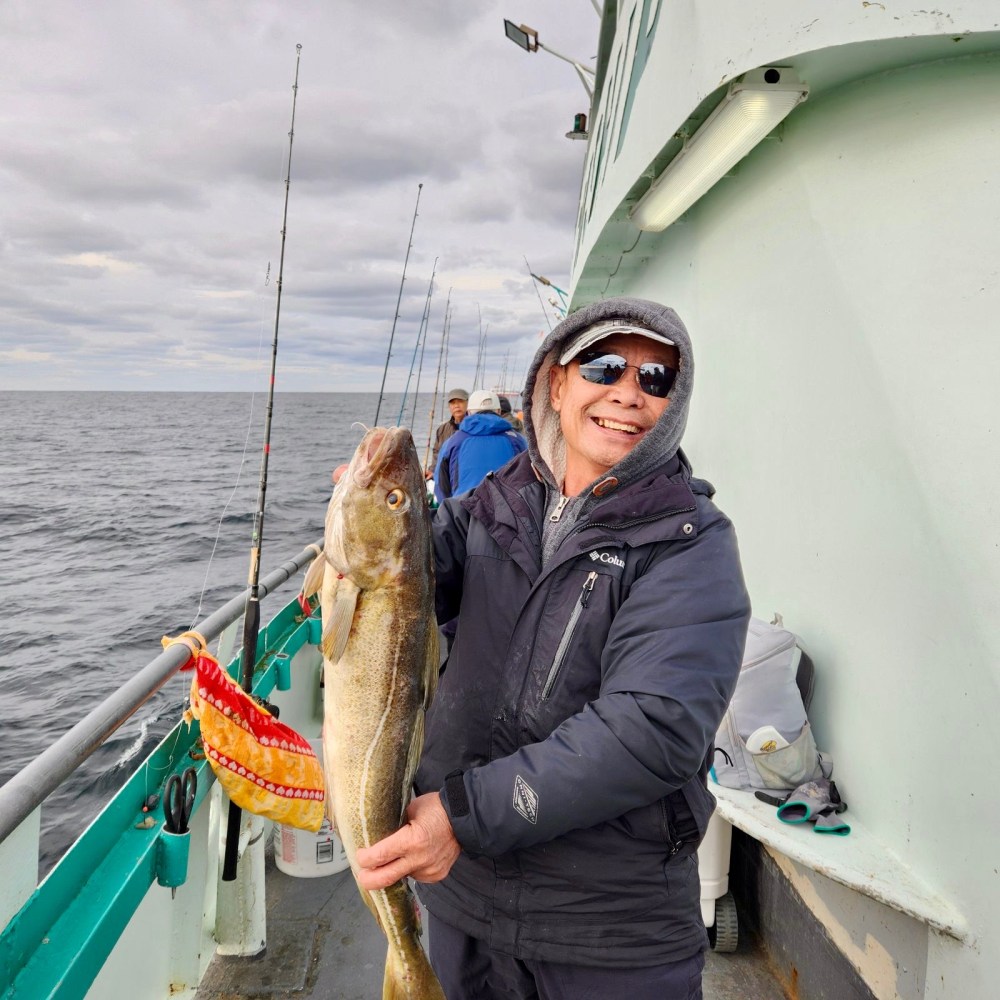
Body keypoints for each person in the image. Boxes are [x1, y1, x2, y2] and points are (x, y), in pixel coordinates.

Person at [356, 297, 751, 1000]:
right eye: (605, 366)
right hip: (462, 905)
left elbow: (651, 731)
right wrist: (362, 533)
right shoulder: (491, 503)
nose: (629, 393)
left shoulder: (693, 543)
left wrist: (464, 817)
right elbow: (406, 583)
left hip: (607, 934)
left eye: (656, 381)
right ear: (557, 384)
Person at [433, 389, 526, 504]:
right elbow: (529, 481)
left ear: (469, 412)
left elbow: (441, 486)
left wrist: (451, 513)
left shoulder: (452, 443)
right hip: (508, 514)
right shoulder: (517, 440)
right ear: (499, 411)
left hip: (464, 513)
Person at [430, 388, 469, 473]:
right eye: (453, 403)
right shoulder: (442, 430)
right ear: (449, 406)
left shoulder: (474, 427)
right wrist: (433, 470)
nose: (456, 405)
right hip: (446, 474)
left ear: (468, 403)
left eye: (460, 401)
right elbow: (437, 452)